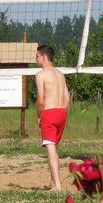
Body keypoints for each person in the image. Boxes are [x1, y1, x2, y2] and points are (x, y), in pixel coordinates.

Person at [34, 44, 71, 191]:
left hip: (49, 113)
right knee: (53, 148)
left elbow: (41, 100)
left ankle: (57, 185)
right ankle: (52, 181)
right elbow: (67, 98)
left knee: (50, 149)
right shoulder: (60, 74)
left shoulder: (41, 75)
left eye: (37, 56)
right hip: (62, 112)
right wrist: (61, 111)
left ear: (43, 56)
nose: (36, 59)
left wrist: (39, 116)